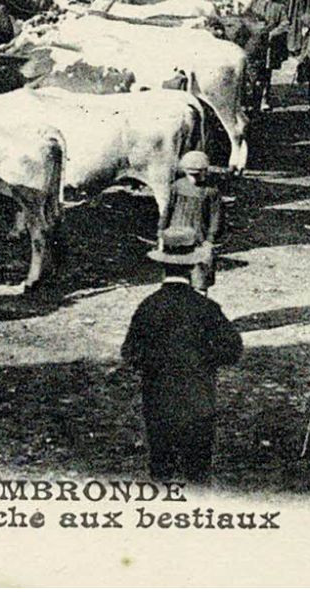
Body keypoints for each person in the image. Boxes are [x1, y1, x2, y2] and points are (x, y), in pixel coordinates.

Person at [121, 227, 243, 482]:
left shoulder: (149, 307)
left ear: (163, 266)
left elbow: (130, 352)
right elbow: (233, 350)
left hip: (158, 399)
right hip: (199, 400)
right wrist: (203, 361)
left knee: (162, 468)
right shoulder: (206, 307)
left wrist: (154, 365)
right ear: (192, 267)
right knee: (197, 472)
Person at [163, 149, 222, 290]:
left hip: (199, 238)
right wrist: (162, 232)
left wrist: (210, 240)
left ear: (205, 171)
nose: (195, 177)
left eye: (199, 173)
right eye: (191, 174)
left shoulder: (211, 191)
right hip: (176, 237)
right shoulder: (177, 186)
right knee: (176, 277)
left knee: (200, 278)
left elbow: (216, 217)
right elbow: (168, 210)